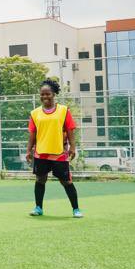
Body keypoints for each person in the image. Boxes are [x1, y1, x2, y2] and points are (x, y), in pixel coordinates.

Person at [26, 78, 83, 218]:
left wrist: (73, 147)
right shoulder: (35, 113)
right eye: (42, 94)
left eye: (48, 94)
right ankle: (38, 207)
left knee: (66, 181)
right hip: (41, 153)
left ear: (54, 94)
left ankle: (76, 209)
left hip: (59, 153)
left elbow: (70, 130)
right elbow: (32, 133)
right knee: (40, 180)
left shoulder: (63, 111)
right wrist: (29, 150)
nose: (45, 96)